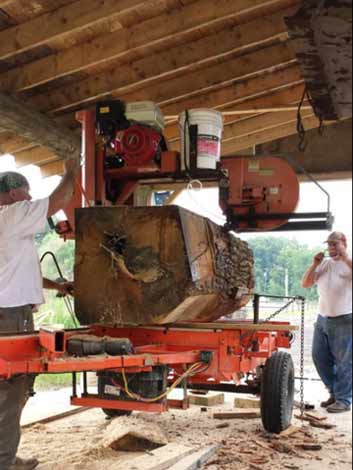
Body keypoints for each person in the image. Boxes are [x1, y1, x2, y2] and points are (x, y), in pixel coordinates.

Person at [0, 157, 80, 470]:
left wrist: (54, 284)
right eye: (25, 191)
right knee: (11, 389)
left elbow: (12, 270)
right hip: (10, 316)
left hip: (8, 310)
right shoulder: (11, 214)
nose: (29, 198)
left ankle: (4, 455)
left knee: (8, 390)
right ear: (9, 194)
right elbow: (58, 200)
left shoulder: (7, 224)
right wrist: (72, 171)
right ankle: (4, 462)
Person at [302, 231, 352, 414]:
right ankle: (334, 392)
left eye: (335, 244)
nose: (331, 248)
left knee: (345, 362)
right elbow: (306, 284)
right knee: (319, 357)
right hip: (323, 318)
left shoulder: (349, 263)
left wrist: (345, 257)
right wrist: (314, 263)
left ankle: (344, 400)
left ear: (343, 242)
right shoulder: (323, 264)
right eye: (329, 244)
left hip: (344, 319)